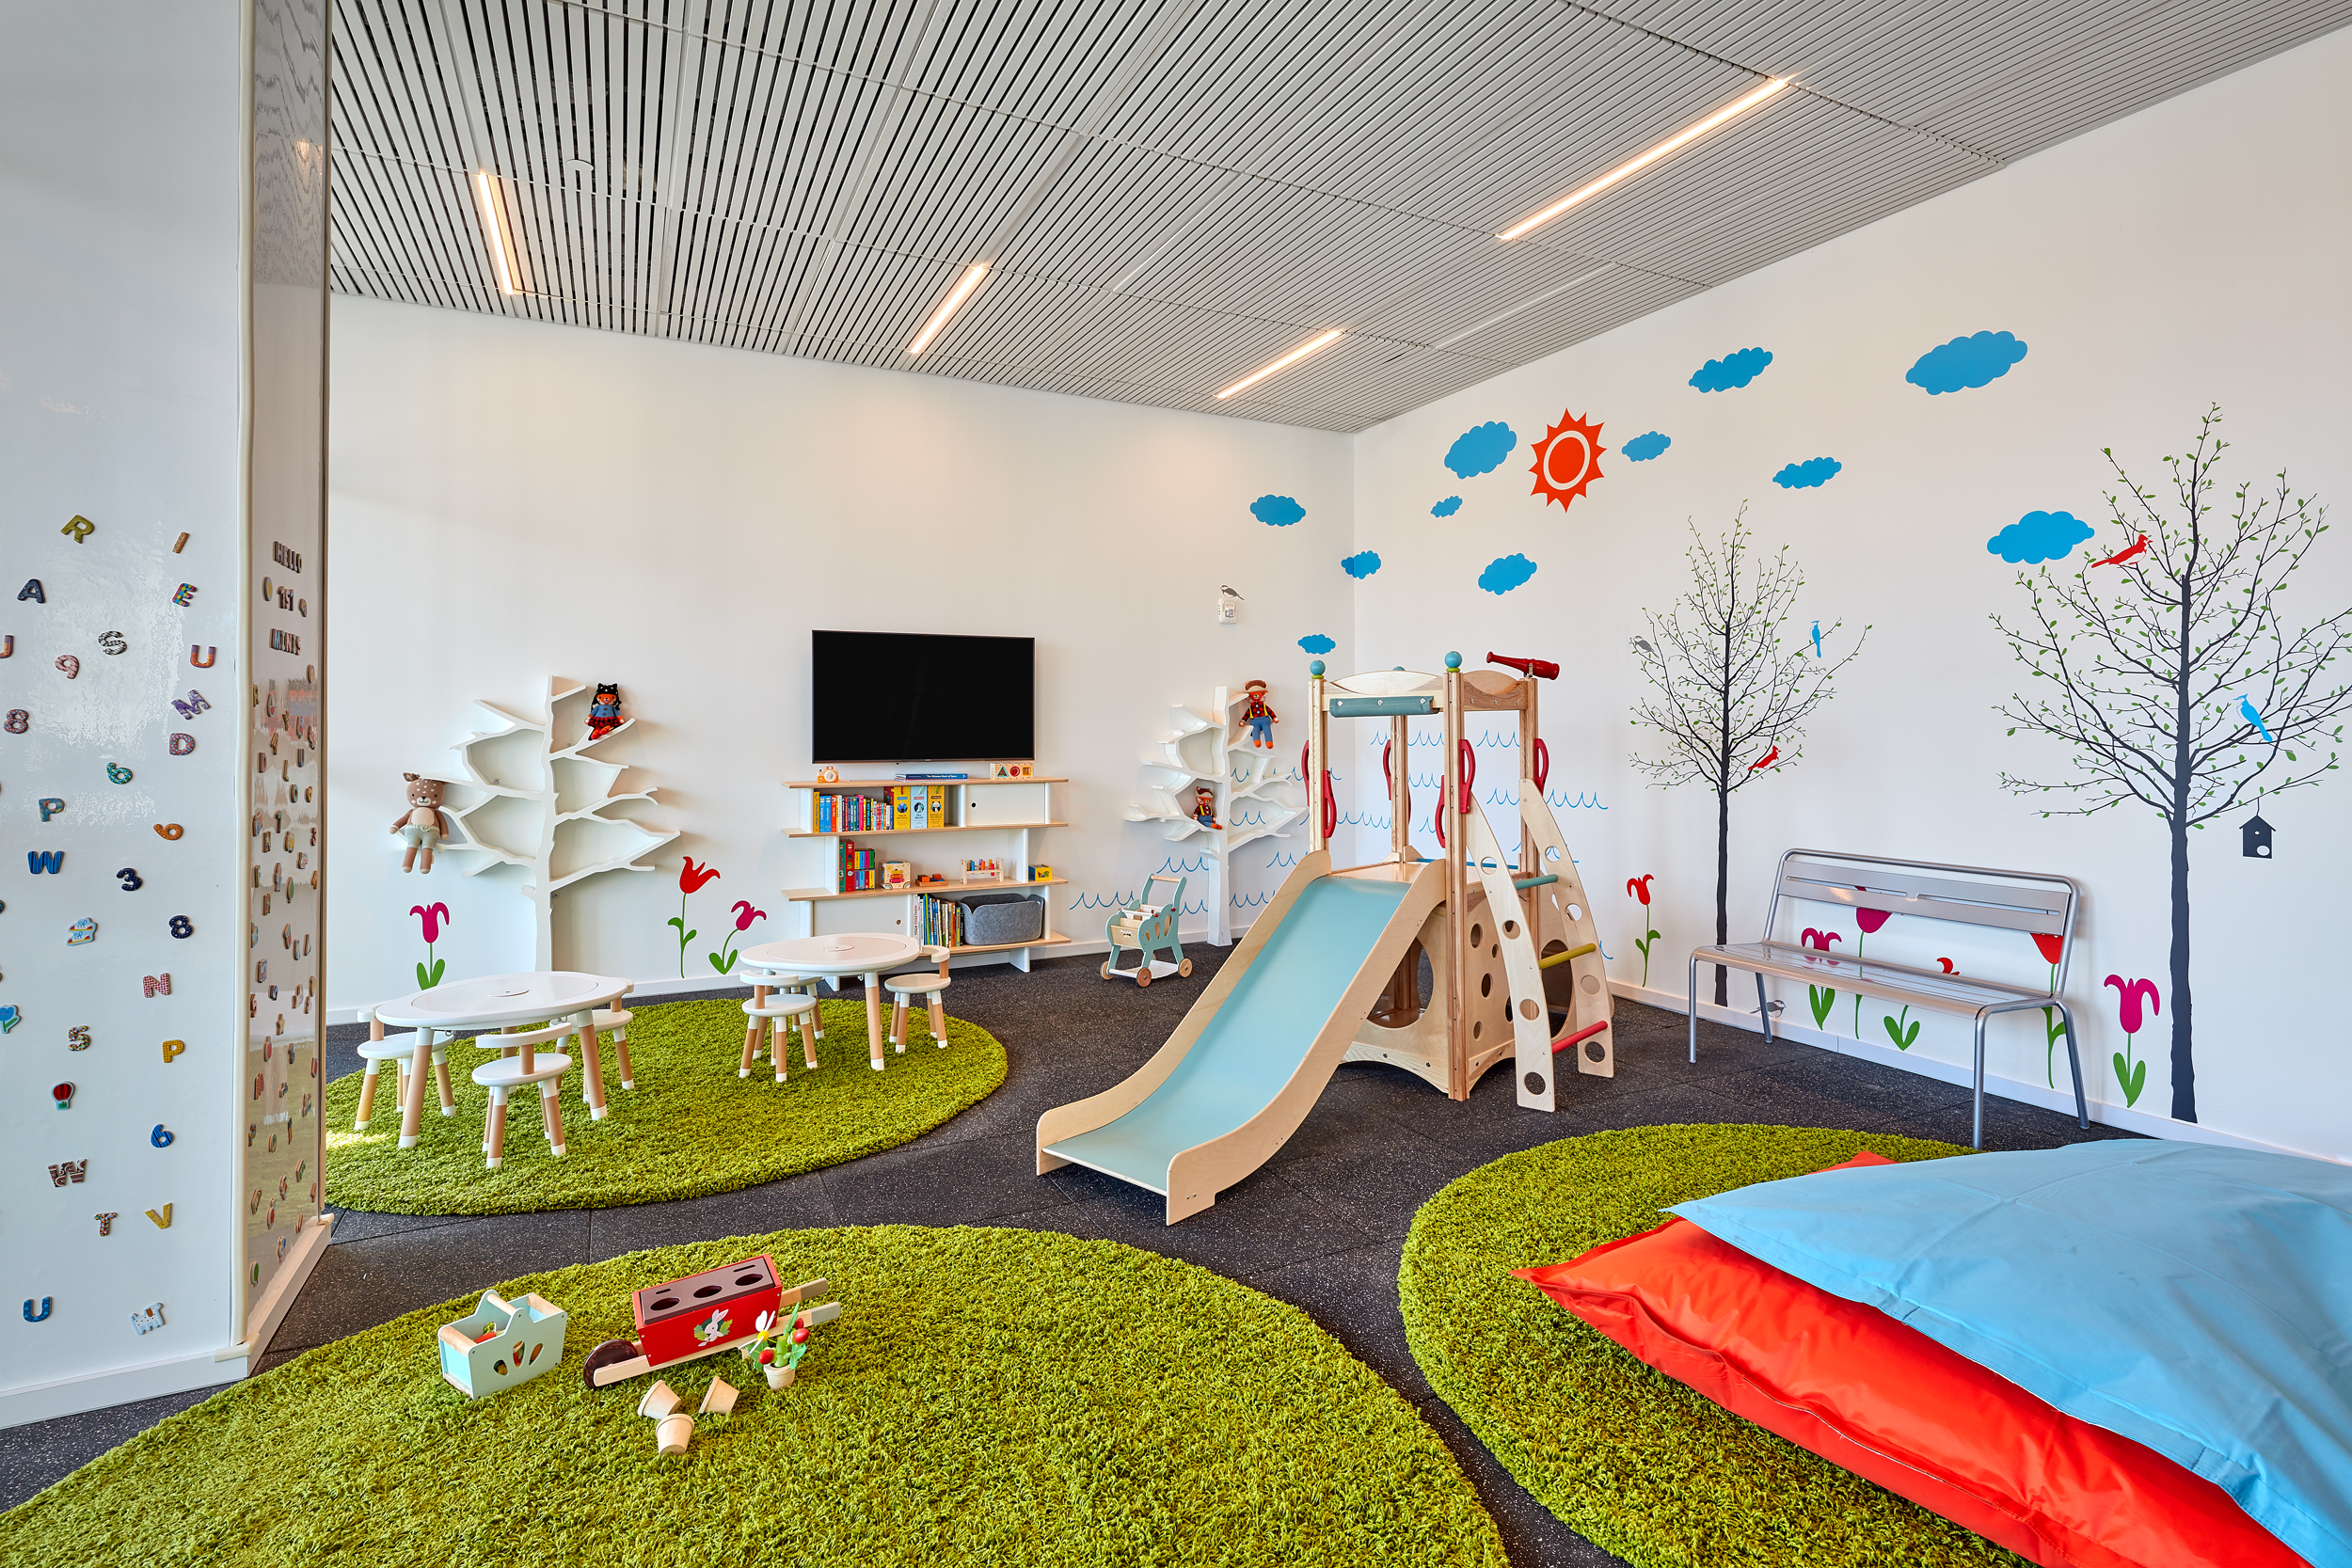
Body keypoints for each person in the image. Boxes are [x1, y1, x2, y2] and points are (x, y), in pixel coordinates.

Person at [1241, 679, 1278, 748]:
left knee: (1267, 730)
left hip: (1265, 720)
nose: (1256, 696)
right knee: (1255, 731)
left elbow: (1270, 711)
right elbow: (1247, 714)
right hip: (1255, 722)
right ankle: (1257, 741)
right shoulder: (1251, 707)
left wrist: (1274, 717)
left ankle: (1269, 742)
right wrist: (1243, 720)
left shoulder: (1263, 705)